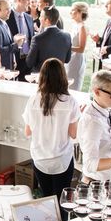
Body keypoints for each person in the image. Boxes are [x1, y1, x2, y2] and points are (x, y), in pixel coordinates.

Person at [23, 59, 80, 200]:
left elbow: (27, 132)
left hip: (40, 159)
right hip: (62, 160)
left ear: (42, 76)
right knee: (62, 202)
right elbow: (73, 134)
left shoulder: (33, 100)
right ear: (63, 77)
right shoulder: (70, 102)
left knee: (47, 200)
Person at [26, 8, 72, 72]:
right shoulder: (67, 36)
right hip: (59, 76)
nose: (39, 18)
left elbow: (29, 63)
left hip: (41, 76)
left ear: (47, 20)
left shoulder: (37, 39)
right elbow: (67, 60)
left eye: (41, 16)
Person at [7, 0, 35, 78]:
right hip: (13, 59)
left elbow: (32, 38)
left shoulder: (29, 18)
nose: (30, 3)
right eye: (27, 1)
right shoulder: (7, 17)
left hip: (27, 60)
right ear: (19, 0)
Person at [66, 2, 89, 92]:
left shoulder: (82, 27)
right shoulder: (75, 25)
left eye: (73, 10)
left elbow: (81, 48)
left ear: (80, 12)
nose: (70, 12)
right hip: (70, 59)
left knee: (73, 86)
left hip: (77, 60)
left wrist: (67, 47)